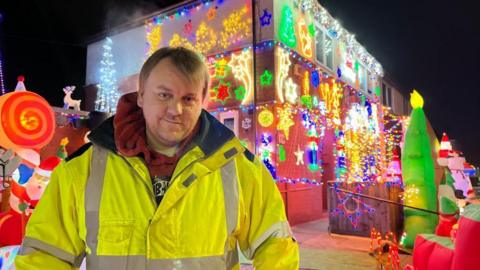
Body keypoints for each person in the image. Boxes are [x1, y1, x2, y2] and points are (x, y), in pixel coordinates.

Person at [15, 46, 299, 269]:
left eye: (188, 99)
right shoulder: (82, 170)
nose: (176, 109)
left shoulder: (238, 167)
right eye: (164, 95)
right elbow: (44, 255)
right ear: (140, 95)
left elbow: (275, 245)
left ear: (202, 101)